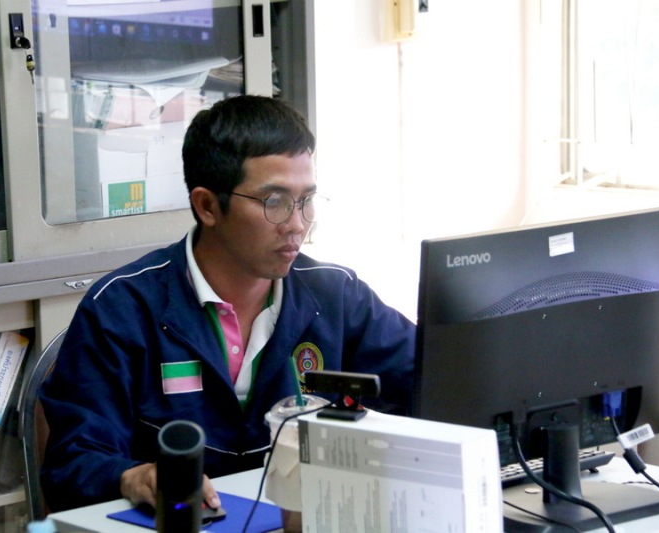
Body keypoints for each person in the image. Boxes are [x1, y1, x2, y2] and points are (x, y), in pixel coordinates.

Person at [39, 95, 416, 513]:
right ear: (207, 206)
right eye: (274, 202)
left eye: (306, 200)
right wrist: (131, 477)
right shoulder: (122, 309)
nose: (297, 224)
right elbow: (71, 464)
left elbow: (433, 383)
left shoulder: (337, 295)